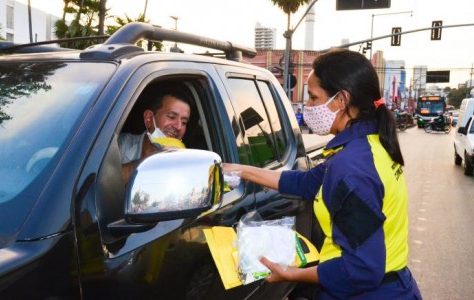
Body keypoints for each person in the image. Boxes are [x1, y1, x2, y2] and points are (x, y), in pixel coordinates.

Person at [224, 49, 422, 299]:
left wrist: (292, 273)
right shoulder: (368, 145)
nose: (307, 106)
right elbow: (306, 183)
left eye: (313, 98)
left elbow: (362, 269)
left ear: (341, 100)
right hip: (389, 286)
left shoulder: (351, 168)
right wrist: (241, 170)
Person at [118, 85, 191, 183]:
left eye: (184, 122)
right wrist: (154, 160)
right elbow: (101, 181)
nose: (178, 126)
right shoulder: (121, 145)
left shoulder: (186, 163)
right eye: (171, 117)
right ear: (149, 119)